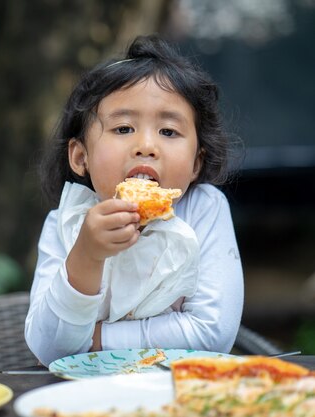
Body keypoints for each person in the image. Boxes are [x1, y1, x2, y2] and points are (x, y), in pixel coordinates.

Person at [24, 34, 244, 365]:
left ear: (196, 162)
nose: (146, 145)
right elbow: (49, 351)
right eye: (124, 128)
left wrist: (96, 339)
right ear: (80, 156)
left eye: (168, 132)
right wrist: (86, 256)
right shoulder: (65, 224)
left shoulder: (204, 210)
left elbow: (212, 334)